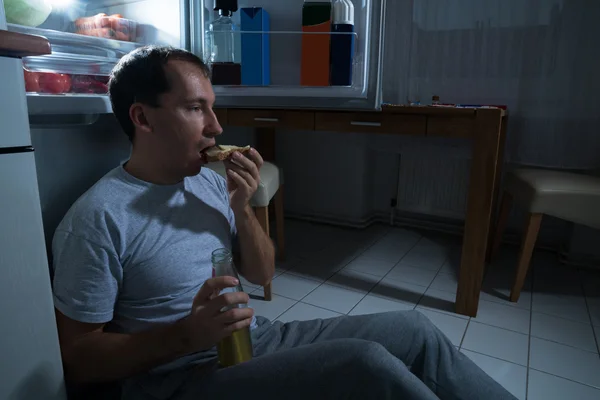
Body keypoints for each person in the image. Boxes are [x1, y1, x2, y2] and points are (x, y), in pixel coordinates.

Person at [51, 45, 516, 400]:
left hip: (255, 338)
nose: (215, 126)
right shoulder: (98, 217)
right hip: (181, 376)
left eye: (212, 107)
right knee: (364, 363)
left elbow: (263, 273)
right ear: (142, 117)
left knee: (414, 330)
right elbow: (78, 359)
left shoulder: (210, 184)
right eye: (195, 108)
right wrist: (188, 334)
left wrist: (242, 206)